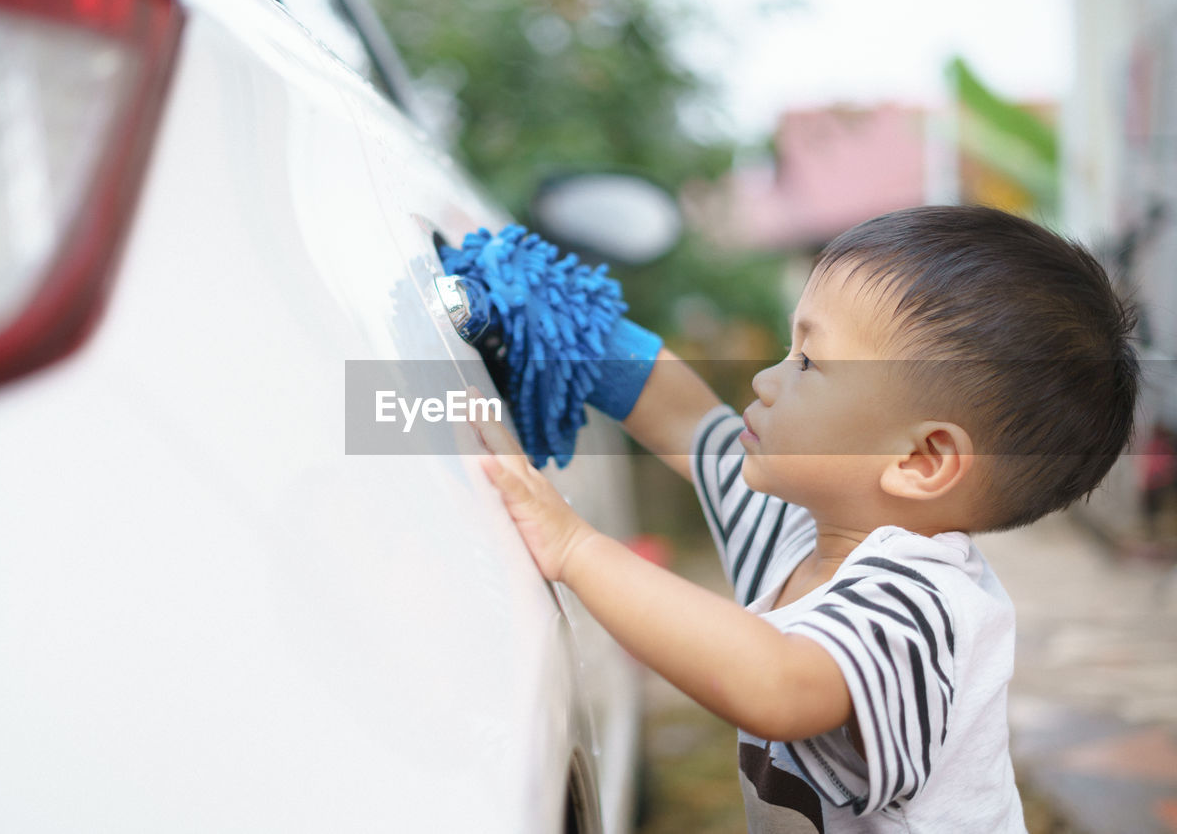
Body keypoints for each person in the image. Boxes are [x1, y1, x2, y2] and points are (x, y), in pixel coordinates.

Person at [468, 205, 1140, 832]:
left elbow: (777, 684)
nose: (763, 380)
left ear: (921, 459)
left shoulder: (922, 609)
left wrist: (577, 549)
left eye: (809, 362)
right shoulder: (801, 526)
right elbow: (686, 419)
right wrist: (571, 325)